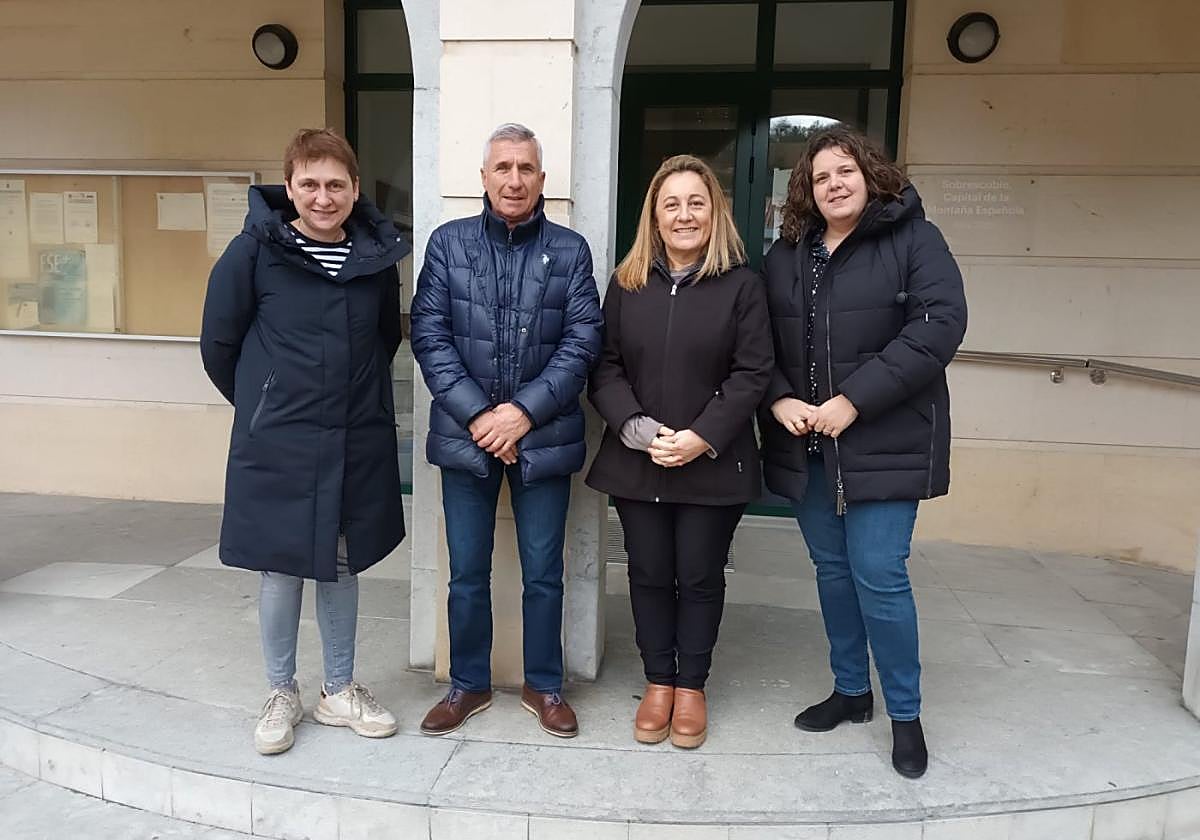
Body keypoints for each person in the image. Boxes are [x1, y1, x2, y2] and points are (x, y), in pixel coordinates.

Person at [759, 124, 967, 778]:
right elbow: (752, 342)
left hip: (885, 441)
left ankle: (905, 715)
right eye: (820, 177)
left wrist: (853, 399)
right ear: (807, 191)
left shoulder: (914, 240)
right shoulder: (787, 254)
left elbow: (940, 325)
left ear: (870, 174)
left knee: (879, 573)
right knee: (832, 572)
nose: (834, 184)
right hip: (809, 448)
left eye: (844, 171)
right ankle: (852, 691)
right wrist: (776, 397)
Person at [201, 128, 410, 755]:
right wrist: (266, 403)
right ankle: (281, 691)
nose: (324, 197)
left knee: (342, 564)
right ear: (289, 187)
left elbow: (383, 340)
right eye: (310, 184)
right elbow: (219, 345)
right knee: (282, 567)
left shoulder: (373, 261)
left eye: (336, 185)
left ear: (353, 189)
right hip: (280, 442)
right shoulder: (252, 253)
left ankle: (339, 689)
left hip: (352, 437)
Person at [410, 123, 602, 738]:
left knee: (544, 571)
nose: (514, 179)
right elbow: (430, 335)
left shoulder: (570, 251)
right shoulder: (448, 244)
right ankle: (468, 684)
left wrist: (522, 413)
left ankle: (544, 685)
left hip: (541, 438)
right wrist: (480, 416)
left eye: (526, 168)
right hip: (467, 439)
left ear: (542, 179)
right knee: (467, 570)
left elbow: (583, 343)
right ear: (485, 177)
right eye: (503, 168)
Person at [586, 155, 772, 749]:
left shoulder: (742, 284)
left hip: (712, 460)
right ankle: (657, 681)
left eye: (697, 202)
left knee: (697, 575)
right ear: (655, 216)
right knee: (646, 572)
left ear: (714, 212)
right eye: (673, 204)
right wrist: (637, 428)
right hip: (640, 459)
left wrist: (701, 436)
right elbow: (604, 366)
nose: (685, 215)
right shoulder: (627, 283)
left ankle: (691, 684)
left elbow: (753, 371)